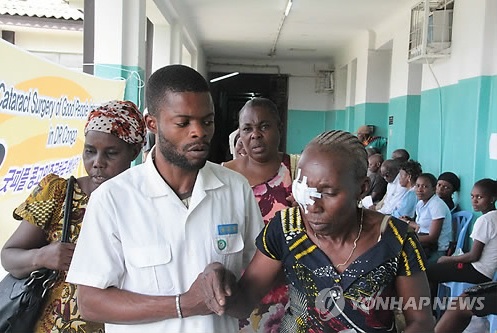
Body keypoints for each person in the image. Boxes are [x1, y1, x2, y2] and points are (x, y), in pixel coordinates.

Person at [66, 65, 264, 333]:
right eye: (183, 123)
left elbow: (254, 285)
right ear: (152, 124)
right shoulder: (113, 199)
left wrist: (227, 286)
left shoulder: (235, 189)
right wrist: (184, 304)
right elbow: (90, 303)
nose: (199, 132)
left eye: (207, 121)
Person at [202, 130, 435, 333]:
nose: (312, 206)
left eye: (328, 193)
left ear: (362, 189)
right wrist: (219, 281)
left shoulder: (396, 238)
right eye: (305, 191)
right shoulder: (286, 229)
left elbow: (421, 321)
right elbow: (244, 302)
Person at [0, 100, 146, 333]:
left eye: (111, 153)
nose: (97, 163)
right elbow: (8, 257)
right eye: (90, 151)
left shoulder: (145, 202)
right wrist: (42, 256)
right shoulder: (57, 193)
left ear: (135, 151)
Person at [223, 98, 293, 332]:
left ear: (279, 128)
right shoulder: (222, 175)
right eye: (247, 129)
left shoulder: (298, 170)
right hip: (237, 293)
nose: (255, 135)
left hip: (288, 294)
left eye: (264, 126)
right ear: (239, 134)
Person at [427, 179, 497, 294]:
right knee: (436, 269)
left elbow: (474, 256)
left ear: (492, 199)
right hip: (488, 272)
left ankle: (427, 308)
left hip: (477, 272)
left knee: (428, 272)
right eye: (472, 196)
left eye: (479, 197)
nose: (474, 201)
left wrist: (448, 259)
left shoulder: (485, 220)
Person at [402, 173, 452, 265]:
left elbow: (433, 237)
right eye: (417, 186)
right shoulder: (420, 204)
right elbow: (419, 227)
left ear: (433, 189)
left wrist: (407, 239)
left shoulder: (437, 205)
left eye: (425, 187)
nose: (419, 190)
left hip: (435, 251)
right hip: (423, 245)